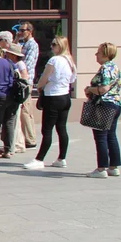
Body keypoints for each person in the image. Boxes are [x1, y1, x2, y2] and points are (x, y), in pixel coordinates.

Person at [24, 35, 77, 170]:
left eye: (54, 44)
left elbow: (43, 78)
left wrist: (40, 86)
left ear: (61, 46)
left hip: (52, 96)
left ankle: (39, 159)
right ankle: (62, 158)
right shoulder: (70, 60)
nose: (51, 46)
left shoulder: (54, 60)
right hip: (65, 96)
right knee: (61, 128)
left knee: (47, 130)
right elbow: (72, 80)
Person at [85, 42, 121, 178]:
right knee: (111, 135)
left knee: (100, 137)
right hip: (116, 104)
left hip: (104, 104)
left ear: (106, 54)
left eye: (98, 52)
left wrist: (90, 89)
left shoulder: (105, 68)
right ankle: (114, 166)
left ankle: (101, 169)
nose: (96, 55)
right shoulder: (115, 67)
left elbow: (103, 88)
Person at [15, 22, 41, 152]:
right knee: (23, 110)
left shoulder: (32, 45)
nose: (20, 32)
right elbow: (13, 51)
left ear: (30, 31)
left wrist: (18, 68)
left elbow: (28, 64)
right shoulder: (22, 44)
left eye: (22, 30)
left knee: (26, 110)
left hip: (26, 81)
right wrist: (16, 39)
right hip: (21, 81)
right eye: (19, 30)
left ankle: (30, 139)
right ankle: (26, 137)